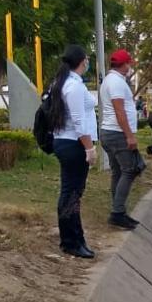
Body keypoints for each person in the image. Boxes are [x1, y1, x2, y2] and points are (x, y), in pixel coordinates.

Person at [44, 45, 99, 260]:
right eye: (87, 59)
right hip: (73, 144)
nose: (88, 63)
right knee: (72, 194)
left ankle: (75, 239)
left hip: (66, 142)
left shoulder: (63, 82)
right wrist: (89, 148)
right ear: (81, 61)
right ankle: (71, 241)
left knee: (71, 192)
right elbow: (78, 120)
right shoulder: (73, 86)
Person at [99, 49, 143, 231]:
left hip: (110, 132)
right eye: (129, 64)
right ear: (124, 64)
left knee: (118, 172)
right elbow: (119, 111)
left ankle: (119, 209)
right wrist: (129, 135)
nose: (130, 67)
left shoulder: (111, 81)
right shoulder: (116, 82)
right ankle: (117, 213)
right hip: (117, 134)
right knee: (130, 170)